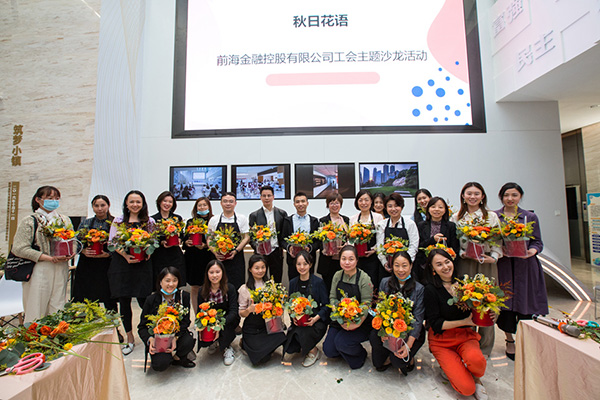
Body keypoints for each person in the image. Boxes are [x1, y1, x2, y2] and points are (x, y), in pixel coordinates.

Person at [424, 248, 490, 400]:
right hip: (442, 341)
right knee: (466, 389)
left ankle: (477, 379)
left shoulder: (465, 284)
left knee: (477, 362)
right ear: (433, 269)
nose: (445, 267)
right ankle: (449, 368)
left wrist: (487, 311)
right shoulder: (430, 290)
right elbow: (436, 324)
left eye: (447, 262)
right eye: (439, 264)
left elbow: (477, 308)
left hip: (465, 336)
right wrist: (465, 322)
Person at [494, 183, 548, 360]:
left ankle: (527, 342)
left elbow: (537, 241)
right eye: (506, 195)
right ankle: (509, 340)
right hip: (504, 266)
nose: (510, 199)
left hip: (525, 267)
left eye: (514, 195)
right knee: (505, 303)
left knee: (527, 303)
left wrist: (531, 251)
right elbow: (491, 240)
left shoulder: (529, 217)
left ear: (520, 197)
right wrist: (499, 249)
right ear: (501, 197)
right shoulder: (495, 217)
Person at [451, 182, 501, 357]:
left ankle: (485, 347)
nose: (472, 197)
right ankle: (468, 343)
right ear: (463, 196)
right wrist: (462, 253)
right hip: (465, 263)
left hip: (486, 262)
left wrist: (493, 257)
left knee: (488, 301)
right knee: (466, 301)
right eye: (469, 193)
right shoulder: (457, 217)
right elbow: (453, 241)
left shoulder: (491, 217)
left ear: (482, 196)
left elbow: (497, 240)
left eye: (476, 194)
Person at [12, 186, 74, 322]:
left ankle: (57, 332)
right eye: (50, 198)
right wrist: (47, 257)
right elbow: (19, 248)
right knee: (36, 305)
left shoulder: (64, 220)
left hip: (61, 266)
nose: (54, 201)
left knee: (58, 305)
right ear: (38, 200)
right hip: (39, 267)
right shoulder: (30, 220)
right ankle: (34, 333)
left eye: (56, 198)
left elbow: (73, 241)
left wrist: (71, 253)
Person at [108, 190, 155, 355]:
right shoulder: (118, 221)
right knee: (124, 301)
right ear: (126, 204)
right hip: (123, 265)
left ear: (143, 204)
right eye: (132, 202)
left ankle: (150, 333)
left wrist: (148, 252)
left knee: (145, 301)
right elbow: (112, 242)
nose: (135, 205)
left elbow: (153, 240)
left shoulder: (149, 221)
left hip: (142, 266)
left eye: (138, 202)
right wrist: (126, 255)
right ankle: (129, 337)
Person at [369, 251, 425, 375]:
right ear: (392, 266)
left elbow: (418, 319)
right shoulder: (385, 282)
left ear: (411, 265)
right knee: (378, 364)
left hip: (408, 332)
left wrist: (408, 345)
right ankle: (390, 353)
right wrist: (383, 331)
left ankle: (405, 358)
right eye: (397, 265)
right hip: (389, 330)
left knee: (398, 362)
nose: (400, 270)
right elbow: (380, 309)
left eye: (404, 265)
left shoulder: (419, 289)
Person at [322, 245, 373, 369]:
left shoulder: (364, 278)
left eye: (351, 259)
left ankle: (360, 354)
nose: (347, 262)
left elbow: (367, 303)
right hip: (340, 320)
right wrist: (340, 314)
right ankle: (344, 348)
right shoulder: (337, 275)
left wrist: (357, 323)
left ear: (357, 260)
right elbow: (332, 298)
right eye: (343, 259)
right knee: (329, 351)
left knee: (341, 342)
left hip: (360, 321)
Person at [138, 267, 195, 371]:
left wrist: (175, 338)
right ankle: (166, 358)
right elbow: (142, 327)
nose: (171, 284)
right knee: (160, 365)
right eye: (167, 281)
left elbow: (186, 322)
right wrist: (150, 339)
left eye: (174, 280)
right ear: (160, 282)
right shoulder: (151, 300)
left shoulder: (183, 296)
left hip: (177, 334)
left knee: (188, 341)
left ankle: (178, 357)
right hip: (159, 339)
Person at [72, 195, 118, 314]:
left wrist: (109, 254)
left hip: (107, 265)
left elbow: (120, 244)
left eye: (103, 205)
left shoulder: (115, 223)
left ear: (108, 206)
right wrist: (83, 251)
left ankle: (113, 323)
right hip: (88, 265)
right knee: (87, 297)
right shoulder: (85, 223)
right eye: (96, 205)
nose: (100, 208)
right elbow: (76, 242)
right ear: (92, 207)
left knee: (109, 299)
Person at [238, 255, 287, 365]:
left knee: (281, 338)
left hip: (268, 325)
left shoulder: (271, 285)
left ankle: (261, 347)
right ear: (250, 269)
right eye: (257, 268)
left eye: (263, 267)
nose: (260, 271)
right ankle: (245, 343)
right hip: (252, 327)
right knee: (260, 359)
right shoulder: (244, 288)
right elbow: (241, 313)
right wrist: (249, 309)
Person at [284, 250, 329, 367]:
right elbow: (290, 305)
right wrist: (293, 317)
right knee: (289, 348)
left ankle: (314, 351)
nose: (302, 267)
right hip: (299, 321)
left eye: (305, 264)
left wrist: (315, 319)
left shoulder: (318, 282)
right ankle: (305, 345)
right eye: (299, 264)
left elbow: (326, 305)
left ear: (310, 264)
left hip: (315, 321)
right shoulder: (293, 282)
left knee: (302, 333)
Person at [197, 260, 239, 366]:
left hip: (226, 319)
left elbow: (233, 311)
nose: (214, 275)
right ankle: (213, 342)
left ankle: (227, 347)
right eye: (211, 272)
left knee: (226, 329)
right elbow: (199, 312)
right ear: (207, 274)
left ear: (222, 273)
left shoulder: (230, 288)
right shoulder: (202, 290)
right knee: (205, 331)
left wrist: (220, 323)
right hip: (210, 320)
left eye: (217, 272)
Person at [207, 192, 250, 289]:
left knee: (237, 286)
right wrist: (215, 252)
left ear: (235, 203)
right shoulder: (214, 219)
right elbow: (209, 238)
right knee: (218, 286)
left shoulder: (241, 218)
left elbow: (246, 237)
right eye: (225, 201)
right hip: (218, 259)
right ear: (221, 203)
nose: (228, 204)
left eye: (231, 201)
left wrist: (236, 251)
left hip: (236, 259)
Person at [249, 185, 288, 283]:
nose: (266, 198)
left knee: (277, 279)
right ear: (260, 197)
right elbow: (251, 237)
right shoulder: (254, 215)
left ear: (273, 197)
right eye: (264, 196)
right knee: (260, 280)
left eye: (269, 195)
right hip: (260, 254)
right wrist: (257, 247)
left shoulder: (282, 214)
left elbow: (284, 234)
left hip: (276, 252)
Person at [415, 197, 459, 283]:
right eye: (433, 207)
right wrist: (433, 240)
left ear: (445, 210)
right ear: (428, 209)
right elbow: (419, 245)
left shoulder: (450, 226)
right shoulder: (421, 225)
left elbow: (455, 248)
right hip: (424, 265)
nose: (436, 209)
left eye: (440, 207)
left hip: (444, 267)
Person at [376, 193, 419, 280]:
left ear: (401, 207)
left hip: (405, 268)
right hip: (387, 268)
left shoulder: (410, 224)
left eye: (396, 206)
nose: (393, 209)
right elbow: (379, 247)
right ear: (386, 208)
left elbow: (414, 246)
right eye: (390, 206)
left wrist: (405, 264)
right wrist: (384, 263)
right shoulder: (381, 224)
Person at [183, 197, 215, 313]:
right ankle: (197, 314)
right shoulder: (190, 222)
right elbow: (185, 240)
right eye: (199, 205)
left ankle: (210, 314)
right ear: (196, 208)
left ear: (209, 207)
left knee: (210, 286)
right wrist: (187, 242)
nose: (202, 207)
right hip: (193, 259)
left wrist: (206, 245)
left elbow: (216, 239)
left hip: (208, 257)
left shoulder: (213, 220)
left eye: (204, 205)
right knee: (195, 287)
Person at [349, 190, 384, 291]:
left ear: (371, 201)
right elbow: (350, 239)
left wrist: (374, 250)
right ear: (357, 202)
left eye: (366, 200)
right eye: (360, 200)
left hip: (373, 258)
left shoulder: (378, 217)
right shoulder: (353, 219)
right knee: (357, 284)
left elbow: (381, 238)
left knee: (371, 284)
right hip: (357, 258)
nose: (363, 203)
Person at [281, 192, 320, 281]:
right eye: (297, 202)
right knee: (293, 283)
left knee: (309, 284)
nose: (300, 204)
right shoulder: (287, 220)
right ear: (294, 204)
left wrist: (310, 248)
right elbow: (282, 240)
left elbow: (318, 242)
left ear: (307, 203)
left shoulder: (314, 221)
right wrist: (289, 247)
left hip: (309, 260)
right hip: (292, 260)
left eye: (303, 201)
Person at [151, 191, 186, 288]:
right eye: (165, 201)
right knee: (160, 283)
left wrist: (179, 240)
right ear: (159, 202)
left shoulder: (177, 218)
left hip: (175, 255)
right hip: (159, 255)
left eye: (170, 202)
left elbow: (181, 235)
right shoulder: (153, 219)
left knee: (175, 282)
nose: (167, 204)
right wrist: (161, 242)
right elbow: (151, 238)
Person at [316, 193, 349, 291]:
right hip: (328, 261)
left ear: (341, 204)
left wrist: (346, 245)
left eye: (337, 203)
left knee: (342, 288)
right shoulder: (323, 221)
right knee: (328, 288)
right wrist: (326, 248)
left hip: (343, 260)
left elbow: (350, 238)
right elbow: (319, 241)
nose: (335, 205)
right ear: (328, 205)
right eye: (332, 203)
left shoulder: (346, 220)